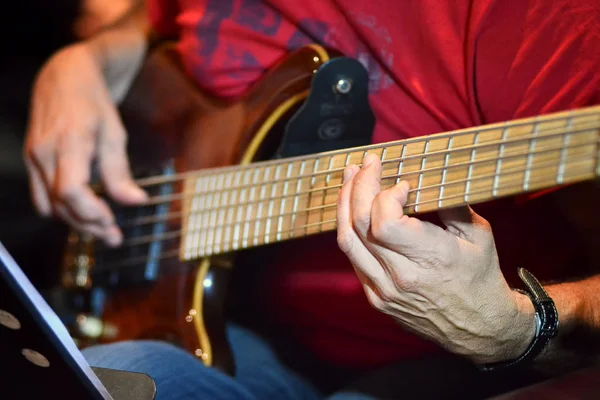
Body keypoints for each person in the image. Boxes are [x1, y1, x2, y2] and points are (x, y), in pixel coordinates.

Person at [23, 0, 600, 398]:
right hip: (238, 322)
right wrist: (84, 60)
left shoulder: (538, 24)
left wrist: (518, 331)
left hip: (429, 367)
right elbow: (147, 16)